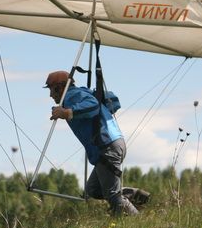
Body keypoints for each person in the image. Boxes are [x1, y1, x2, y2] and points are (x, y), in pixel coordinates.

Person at [45, 70, 148, 215]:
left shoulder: (71, 96)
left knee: (112, 195)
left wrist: (67, 112)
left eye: (51, 89)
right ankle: (136, 196)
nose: (50, 95)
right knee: (93, 189)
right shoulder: (81, 93)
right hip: (111, 143)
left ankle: (137, 223)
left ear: (59, 87)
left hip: (107, 145)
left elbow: (93, 105)